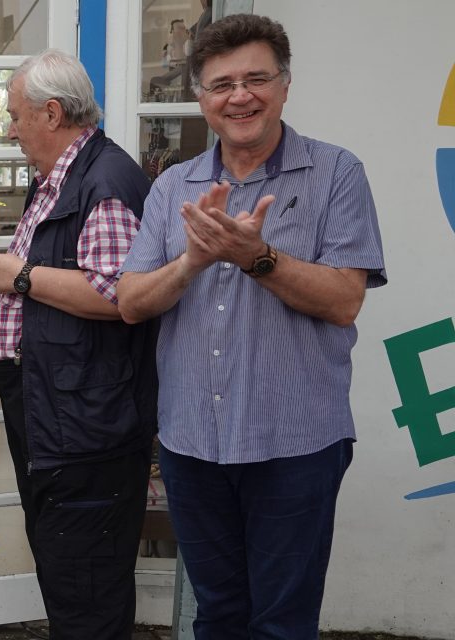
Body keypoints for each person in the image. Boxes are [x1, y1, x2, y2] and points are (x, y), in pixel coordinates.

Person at [117, 14, 386, 638]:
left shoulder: (336, 173)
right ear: (201, 99)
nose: (240, 96)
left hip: (296, 445)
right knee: (217, 615)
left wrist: (255, 258)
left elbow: (345, 298)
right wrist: (192, 261)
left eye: (256, 78)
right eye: (221, 84)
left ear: (285, 85)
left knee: (283, 623)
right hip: (192, 446)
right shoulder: (172, 188)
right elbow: (131, 302)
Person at [0, 50, 157, 639]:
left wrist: (16, 280)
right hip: (52, 405)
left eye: (16, 115)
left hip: (84, 423)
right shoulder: (60, 177)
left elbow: (117, 296)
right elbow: (48, 268)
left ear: (51, 113)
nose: (10, 129)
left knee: (87, 584)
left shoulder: (104, 183)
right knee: (65, 566)